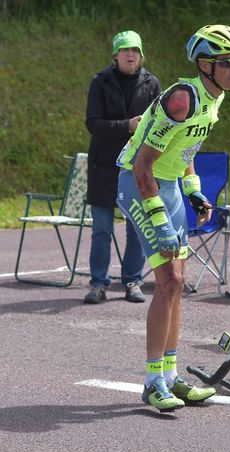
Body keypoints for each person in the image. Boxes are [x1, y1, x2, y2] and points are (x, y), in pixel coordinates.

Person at [116, 24, 230, 412]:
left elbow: (185, 153)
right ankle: (153, 381)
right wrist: (157, 219)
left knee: (179, 282)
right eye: (228, 62)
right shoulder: (182, 98)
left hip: (170, 184)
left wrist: (194, 192)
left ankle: (171, 376)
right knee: (167, 278)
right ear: (205, 64)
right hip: (139, 182)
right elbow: (142, 165)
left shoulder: (215, 99)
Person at [84, 30, 161, 304]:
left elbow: (160, 124)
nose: (131, 55)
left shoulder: (152, 83)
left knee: (137, 228)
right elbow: (93, 124)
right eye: (125, 50)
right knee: (102, 230)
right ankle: (98, 284)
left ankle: (132, 281)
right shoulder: (100, 82)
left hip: (136, 166)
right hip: (103, 166)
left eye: (135, 50)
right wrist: (127, 125)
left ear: (141, 55)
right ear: (115, 55)